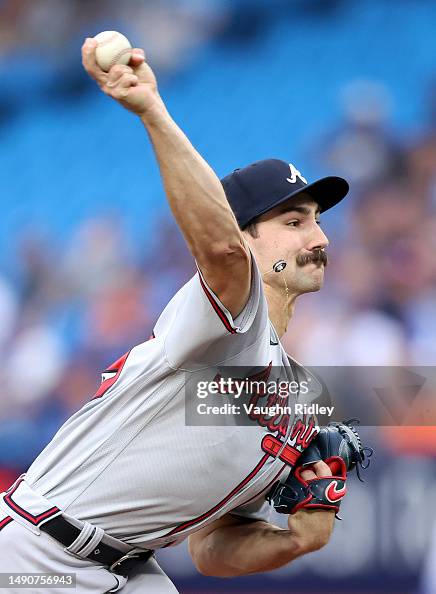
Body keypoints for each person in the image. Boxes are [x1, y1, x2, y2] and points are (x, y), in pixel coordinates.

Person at [0, 38, 350, 593]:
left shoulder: (297, 394)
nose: (319, 237)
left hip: (131, 568)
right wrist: (152, 111)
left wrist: (296, 539)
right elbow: (220, 254)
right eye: (293, 221)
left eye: (317, 221)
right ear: (243, 236)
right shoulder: (229, 320)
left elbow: (210, 548)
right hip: (37, 558)